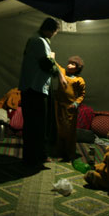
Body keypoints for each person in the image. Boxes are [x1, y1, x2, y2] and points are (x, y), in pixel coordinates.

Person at [18, 17, 66, 168]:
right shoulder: (38, 41)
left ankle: (36, 156)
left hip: (35, 89)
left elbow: (48, 61)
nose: (54, 35)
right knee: (36, 126)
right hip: (34, 90)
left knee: (36, 125)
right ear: (50, 30)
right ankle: (33, 159)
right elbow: (47, 64)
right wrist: (59, 75)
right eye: (54, 32)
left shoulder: (38, 40)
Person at [54, 56, 86, 161]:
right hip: (59, 105)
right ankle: (59, 151)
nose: (69, 65)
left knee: (69, 131)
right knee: (59, 129)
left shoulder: (79, 80)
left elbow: (82, 95)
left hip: (70, 108)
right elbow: (55, 64)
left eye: (73, 64)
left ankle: (69, 153)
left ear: (77, 68)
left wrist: (76, 104)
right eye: (69, 63)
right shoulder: (63, 72)